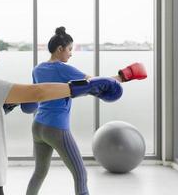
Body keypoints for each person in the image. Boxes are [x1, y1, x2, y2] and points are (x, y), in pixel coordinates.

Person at [0, 24, 129, 195]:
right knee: (78, 172)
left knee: (40, 171)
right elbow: (38, 91)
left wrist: (6, 106)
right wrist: (83, 87)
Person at [25, 27, 147, 195]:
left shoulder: (37, 69)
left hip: (38, 126)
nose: (70, 54)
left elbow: (35, 95)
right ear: (60, 49)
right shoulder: (62, 68)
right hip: (56, 128)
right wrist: (124, 76)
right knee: (80, 174)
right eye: (69, 49)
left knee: (39, 173)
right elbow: (95, 82)